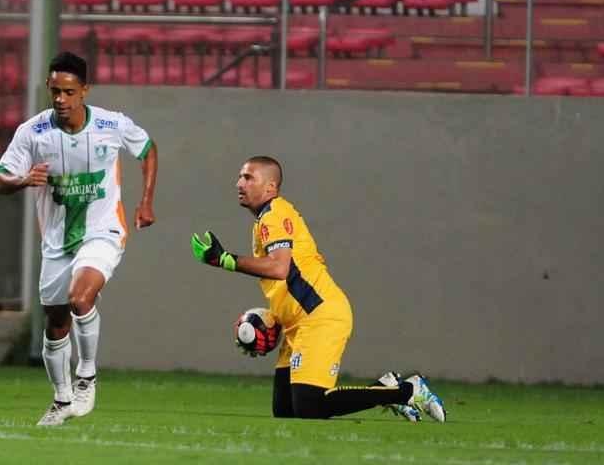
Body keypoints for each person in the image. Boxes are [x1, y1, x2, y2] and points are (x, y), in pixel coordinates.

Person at [190, 156, 447, 422]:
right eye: (240, 177)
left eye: (248, 177)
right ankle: (384, 389)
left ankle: (406, 391)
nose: (239, 183)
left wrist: (226, 260)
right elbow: (286, 279)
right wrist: (267, 321)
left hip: (320, 316)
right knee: (286, 411)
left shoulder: (274, 215)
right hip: (296, 323)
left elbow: (279, 268)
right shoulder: (266, 218)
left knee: (310, 407)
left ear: (270, 187)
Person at [0, 51, 158, 427]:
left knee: (81, 297)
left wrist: (146, 201)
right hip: (56, 242)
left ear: (84, 90)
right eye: (54, 91)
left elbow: (148, 151)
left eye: (68, 92)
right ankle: (61, 398)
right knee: (55, 326)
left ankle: (87, 375)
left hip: (104, 230)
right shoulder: (32, 132)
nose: (60, 100)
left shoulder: (111, 124)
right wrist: (22, 180)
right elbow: (0, 179)